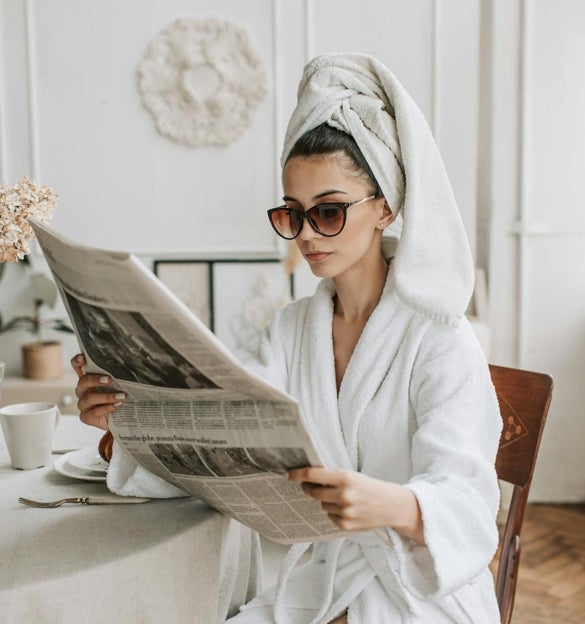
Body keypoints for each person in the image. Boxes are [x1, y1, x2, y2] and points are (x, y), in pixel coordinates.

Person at [72, 53, 502, 623]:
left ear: (386, 207)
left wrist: (392, 504)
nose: (305, 235)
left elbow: (469, 504)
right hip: (320, 585)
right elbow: (228, 448)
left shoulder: (442, 339)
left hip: (418, 598)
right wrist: (123, 423)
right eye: (292, 214)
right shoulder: (292, 329)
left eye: (328, 212)